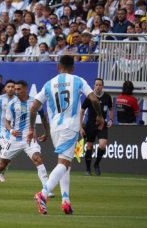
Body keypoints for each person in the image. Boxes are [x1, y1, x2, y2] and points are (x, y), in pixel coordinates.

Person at [28, 55, 104, 215]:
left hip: (56, 128)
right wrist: (99, 115)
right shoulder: (78, 80)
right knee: (63, 164)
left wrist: (32, 129)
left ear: (58, 67)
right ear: (73, 68)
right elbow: (95, 100)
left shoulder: (49, 84)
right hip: (70, 127)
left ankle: (66, 201)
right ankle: (43, 194)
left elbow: (34, 107)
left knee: (66, 164)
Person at [0, 80, 53, 198]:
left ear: (26, 89)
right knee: (1, 166)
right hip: (15, 139)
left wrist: (46, 133)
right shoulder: (12, 104)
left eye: (19, 89)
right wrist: (11, 131)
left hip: (29, 138)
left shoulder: (35, 103)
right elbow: (7, 123)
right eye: (15, 89)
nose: (16, 91)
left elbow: (43, 117)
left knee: (37, 158)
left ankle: (47, 189)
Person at [80, 78, 113, 176]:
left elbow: (111, 109)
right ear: (93, 86)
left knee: (103, 145)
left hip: (102, 125)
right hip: (90, 125)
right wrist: (81, 127)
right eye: (96, 85)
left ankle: (96, 164)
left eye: (100, 85)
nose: (98, 87)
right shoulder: (89, 97)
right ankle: (87, 169)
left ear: (103, 86)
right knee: (89, 147)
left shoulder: (107, 97)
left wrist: (111, 119)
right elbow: (81, 111)